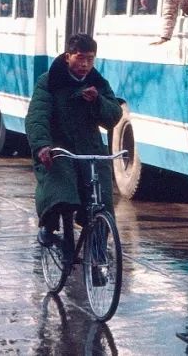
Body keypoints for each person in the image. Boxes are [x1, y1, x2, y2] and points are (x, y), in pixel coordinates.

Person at [26, 33, 123, 249]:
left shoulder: (97, 82)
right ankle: (48, 228)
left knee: (102, 201)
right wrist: (42, 145)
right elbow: (37, 116)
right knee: (61, 191)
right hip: (59, 148)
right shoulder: (49, 81)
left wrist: (98, 101)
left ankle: (98, 252)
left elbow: (113, 115)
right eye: (80, 58)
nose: (85, 64)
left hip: (90, 149)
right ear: (68, 56)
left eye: (90, 59)